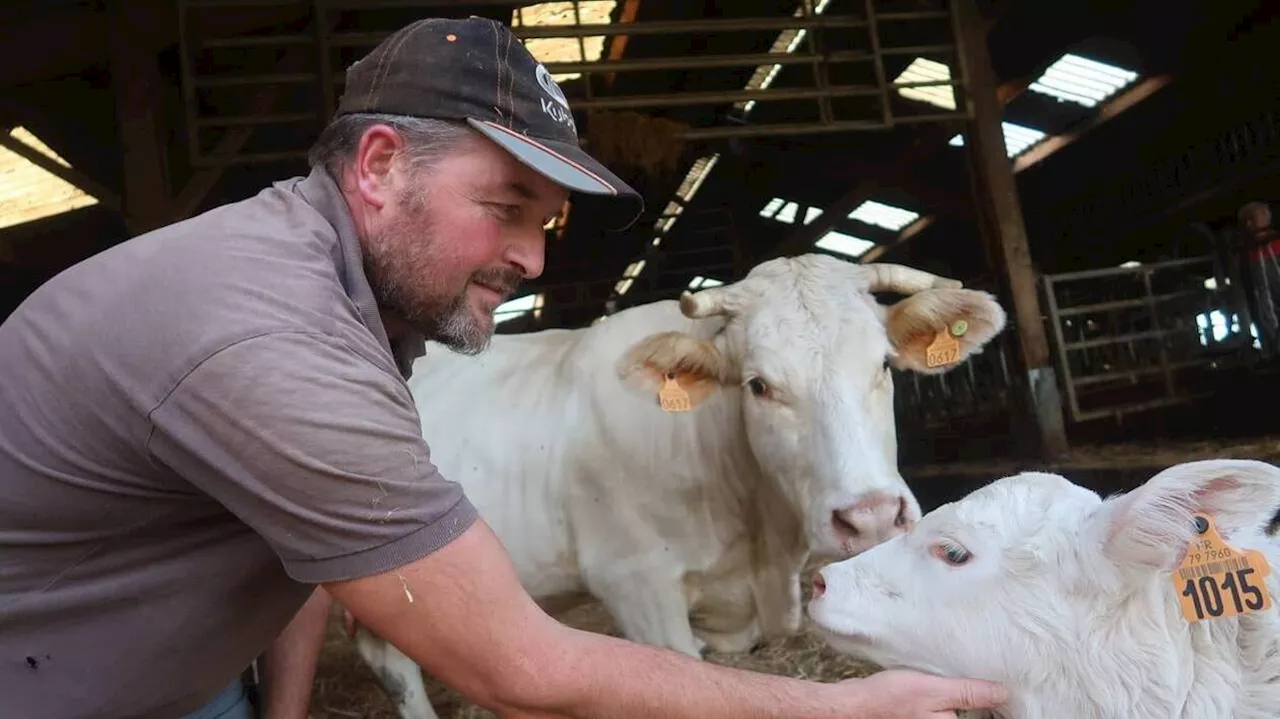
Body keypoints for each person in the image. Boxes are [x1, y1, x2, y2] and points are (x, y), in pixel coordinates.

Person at [0, 16, 1008, 719]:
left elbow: (287, 551)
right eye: (505, 205)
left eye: (545, 221)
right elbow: (519, 670)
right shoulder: (269, 338)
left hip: (192, 680)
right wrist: (838, 703)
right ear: (380, 164)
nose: (532, 259)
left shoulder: (354, 308)